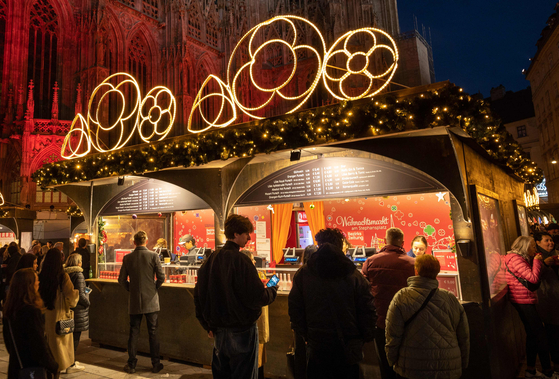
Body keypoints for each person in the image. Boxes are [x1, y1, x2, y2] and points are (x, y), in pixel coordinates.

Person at [194, 214, 278, 379]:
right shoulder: (242, 261)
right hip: (242, 332)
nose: (249, 237)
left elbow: (198, 296)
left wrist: (207, 325)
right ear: (237, 234)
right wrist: (272, 289)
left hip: (218, 332)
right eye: (246, 233)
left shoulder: (210, 260)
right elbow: (258, 297)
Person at [289, 228, 376, 379]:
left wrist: (305, 334)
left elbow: (295, 309)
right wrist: (365, 336)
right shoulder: (354, 275)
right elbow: (367, 309)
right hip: (348, 344)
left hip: (317, 343)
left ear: (319, 245)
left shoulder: (303, 274)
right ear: (340, 245)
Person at [385, 254, 469, 379]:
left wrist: (391, 360)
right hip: (448, 365)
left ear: (416, 271)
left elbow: (393, 334)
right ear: (437, 272)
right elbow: (463, 336)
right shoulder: (450, 298)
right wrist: (463, 363)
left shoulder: (402, 297)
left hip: (412, 366)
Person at [362, 227, 415, 379]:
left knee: (385, 364)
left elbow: (363, 290)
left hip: (380, 321)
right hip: (407, 321)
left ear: (385, 241)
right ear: (403, 243)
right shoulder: (413, 263)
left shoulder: (371, 261)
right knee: (405, 363)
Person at [505, 236, 556, 379]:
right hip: (523, 300)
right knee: (540, 335)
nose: (534, 249)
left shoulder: (518, 258)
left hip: (524, 298)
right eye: (533, 246)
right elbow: (533, 278)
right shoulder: (516, 259)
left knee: (533, 335)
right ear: (525, 246)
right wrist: (537, 261)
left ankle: (531, 370)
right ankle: (548, 371)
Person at [118, 230, 165, 374]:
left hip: (134, 301)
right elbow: (161, 277)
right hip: (151, 301)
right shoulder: (153, 256)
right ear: (146, 241)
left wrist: (131, 289)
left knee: (134, 332)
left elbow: (121, 280)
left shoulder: (128, 258)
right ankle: (155, 364)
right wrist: (153, 288)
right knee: (153, 333)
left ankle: (131, 364)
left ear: (134, 242)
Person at [3, 268, 58, 379]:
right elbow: (39, 343)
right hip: (33, 369)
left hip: (17, 367)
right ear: (29, 285)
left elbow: (8, 342)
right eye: (36, 280)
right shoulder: (31, 311)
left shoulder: (9, 310)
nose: (38, 283)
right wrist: (53, 366)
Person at [38, 248, 82, 374]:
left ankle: (46, 367)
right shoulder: (63, 276)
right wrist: (76, 296)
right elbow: (71, 295)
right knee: (59, 346)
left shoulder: (41, 275)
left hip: (44, 313)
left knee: (46, 343)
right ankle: (56, 369)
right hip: (59, 314)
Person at [241, 250, 269, 379]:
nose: (254, 262)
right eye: (252, 260)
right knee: (254, 357)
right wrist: (272, 290)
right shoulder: (251, 276)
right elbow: (262, 296)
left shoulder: (254, 274)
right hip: (253, 322)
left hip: (255, 322)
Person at [534, 232, 559, 375]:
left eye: (551, 240)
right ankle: (556, 363)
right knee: (553, 332)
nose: (550, 243)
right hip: (549, 299)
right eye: (546, 240)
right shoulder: (537, 257)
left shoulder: (557, 253)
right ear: (538, 242)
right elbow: (534, 276)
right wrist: (543, 264)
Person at [64, 253, 90, 356]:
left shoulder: (66, 273)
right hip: (78, 309)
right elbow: (80, 295)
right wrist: (87, 303)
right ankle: (71, 361)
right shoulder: (78, 274)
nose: (81, 263)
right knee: (75, 337)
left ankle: (68, 360)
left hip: (68, 308)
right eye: (80, 261)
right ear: (77, 263)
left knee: (68, 336)